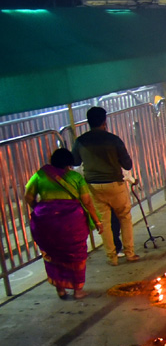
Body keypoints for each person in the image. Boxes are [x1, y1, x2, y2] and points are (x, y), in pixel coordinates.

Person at [25, 148, 101, 299]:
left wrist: (42, 209)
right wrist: (97, 221)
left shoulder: (40, 175)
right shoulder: (75, 177)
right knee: (77, 255)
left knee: (53, 254)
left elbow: (28, 195)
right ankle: (78, 290)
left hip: (46, 224)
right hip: (72, 224)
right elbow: (87, 202)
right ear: (68, 164)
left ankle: (60, 289)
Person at [72, 106, 139, 265]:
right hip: (115, 184)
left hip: (94, 187)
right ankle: (129, 253)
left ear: (88, 122)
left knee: (105, 223)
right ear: (104, 121)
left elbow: (75, 161)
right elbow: (127, 164)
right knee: (124, 217)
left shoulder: (80, 141)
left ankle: (112, 257)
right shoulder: (113, 140)